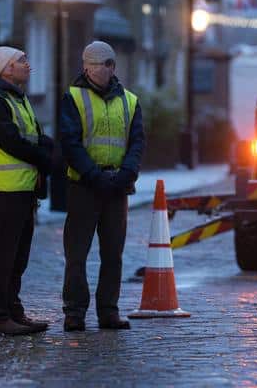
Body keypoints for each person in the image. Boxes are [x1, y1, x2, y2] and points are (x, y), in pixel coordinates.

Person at [59, 41, 146, 331]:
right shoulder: (73, 98)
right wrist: (94, 175)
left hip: (117, 187)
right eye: (97, 64)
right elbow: (70, 143)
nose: (102, 70)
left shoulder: (130, 101)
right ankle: (75, 312)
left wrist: (127, 174)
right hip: (84, 186)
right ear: (85, 67)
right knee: (76, 254)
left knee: (113, 254)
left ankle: (108, 310)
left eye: (107, 64)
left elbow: (137, 142)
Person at [0, 46, 54, 336]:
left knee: (18, 257)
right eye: (22, 61)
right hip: (4, 191)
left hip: (23, 189)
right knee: (3, 255)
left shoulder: (17, 100)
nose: (28, 65)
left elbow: (33, 137)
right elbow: (13, 142)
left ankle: (13, 312)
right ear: (6, 69)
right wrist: (47, 160)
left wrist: (54, 150)